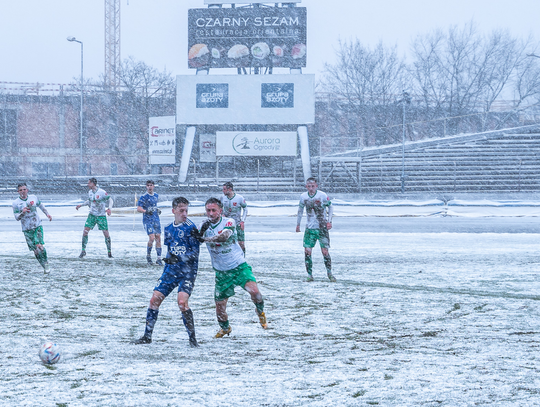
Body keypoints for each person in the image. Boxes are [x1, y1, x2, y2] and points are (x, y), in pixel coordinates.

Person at [134, 197, 201, 347]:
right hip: (171, 271)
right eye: (181, 210)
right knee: (154, 300)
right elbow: (171, 252)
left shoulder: (191, 228)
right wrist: (169, 263)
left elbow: (195, 254)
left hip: (187, 272)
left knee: (182, 302)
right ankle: (147, 336)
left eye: (186, 211)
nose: (184, 214)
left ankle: (192, 339)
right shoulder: (169, 229)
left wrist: (179, 258)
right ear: (174, 211)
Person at [200, 197, 267, 338]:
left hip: (239, 267)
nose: (211, 213)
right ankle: (225, 328)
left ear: (220, 211)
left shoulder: (229, 221)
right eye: (208, 210)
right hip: (222, 272)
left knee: (256, 293)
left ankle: (260, 311)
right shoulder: (203, 226)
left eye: (214, 210)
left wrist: (204, 239)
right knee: (220, 309)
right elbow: (192, 241)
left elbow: (223, 237)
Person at [296, 177, 336, 282]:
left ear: (316, 186)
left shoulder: (322, 195)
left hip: (322, 227)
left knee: (325, 251)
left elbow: (330, 207)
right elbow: (300, 210)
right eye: (309, 186)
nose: (311, 188)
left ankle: (329, 273)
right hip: (310, 229)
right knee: (307, 251)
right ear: (306, 187)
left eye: (313, 186)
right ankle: (309, 275)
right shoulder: (303, 197)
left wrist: (329, 221)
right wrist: (298, 224)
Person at [12, 183, 53, 273]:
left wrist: (47, 214)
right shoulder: (16, 203)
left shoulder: (33, 198)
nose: (23, 191)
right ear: (18, 192)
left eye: (24, 189)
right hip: (26, 229)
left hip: (37, 225)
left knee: (40, 246)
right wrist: (22, 213)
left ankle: (46, 264)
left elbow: (41, 206)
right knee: (36, 251)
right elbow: (16, 217)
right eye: (21, 190)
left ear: (27, 190)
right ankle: (45, 267)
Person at [76, 178, 113, 258]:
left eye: (89, 183)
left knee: (106, 234)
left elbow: (110, 199)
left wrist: (109, 208)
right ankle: (83, 250)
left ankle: (109, 252)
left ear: (93, 184)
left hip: (101, 216)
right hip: (92, 215)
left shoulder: (102, 192)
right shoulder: (90, 192)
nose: (87, 184)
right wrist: (81, 205)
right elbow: (89, 201)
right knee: (85, 232)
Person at [137, 180, 163, 265]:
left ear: (154, 186)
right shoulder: (143, 197)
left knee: (158, 237)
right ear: (146, 187)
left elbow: (154, 206)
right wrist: (146, 211)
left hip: (156, 219)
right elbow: (139, 208)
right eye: (148, 185)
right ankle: (148, 256)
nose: (149, 187)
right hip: (148, 220)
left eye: (151, 185)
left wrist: (157, 210)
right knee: (152, 238)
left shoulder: (156, 196)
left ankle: (159, 258)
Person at [220, 181, 248, 255]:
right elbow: (219, 209)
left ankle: (242, 259)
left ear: (229, 189)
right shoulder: (223, 198)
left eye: (224, 189)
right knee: (228, 244)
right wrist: (222, 215)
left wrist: (242, 221)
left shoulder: (239, 198)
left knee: (241, 244)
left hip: (238, 224)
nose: (223, 191)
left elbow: (245, 209)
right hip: (227, 225)